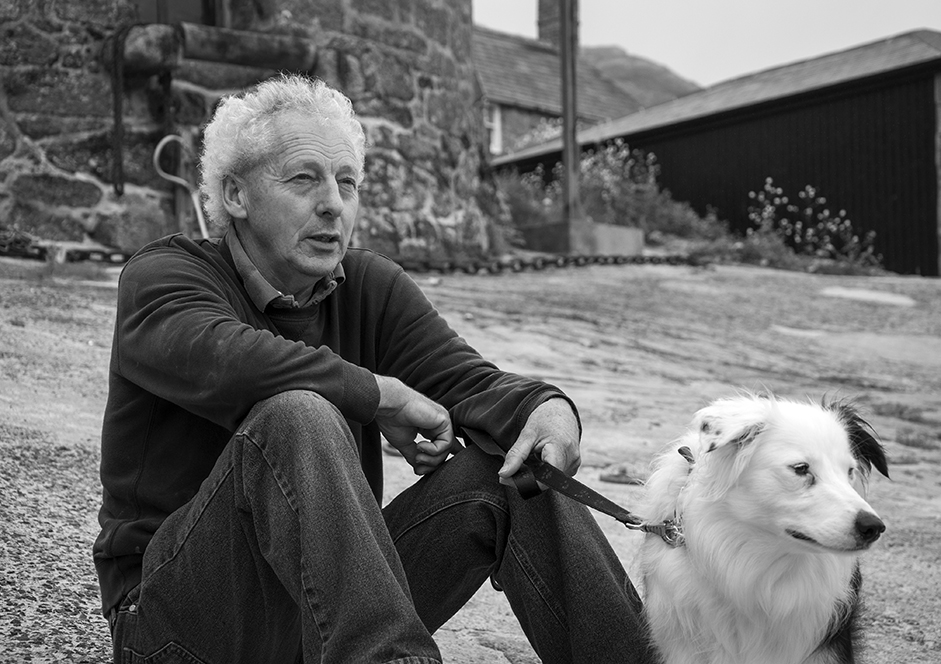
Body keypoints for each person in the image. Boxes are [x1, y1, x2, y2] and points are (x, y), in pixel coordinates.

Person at [93, 73, 655, 664]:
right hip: (178, 631)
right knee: (297, 415)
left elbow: (470, 381)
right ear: (236, 195)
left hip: (322, 620)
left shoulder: (369, 287)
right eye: (304, 178)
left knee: (511, 468)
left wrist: (547, 409)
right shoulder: (163, 277)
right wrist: (377, 394)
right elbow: (223, 360)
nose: (333, 203)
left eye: (347, 183)